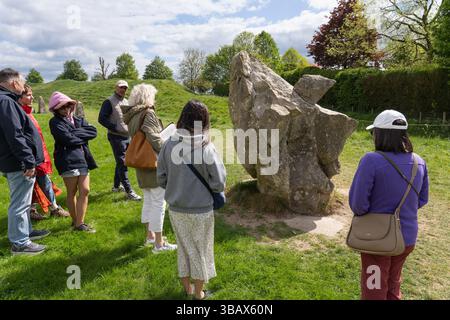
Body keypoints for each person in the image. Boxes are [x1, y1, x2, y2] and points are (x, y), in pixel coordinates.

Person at [349, 110, 429, 300]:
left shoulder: (371, 160)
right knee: (393, 284)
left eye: (373, 132)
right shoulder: (419, 162)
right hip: (407, 238)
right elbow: (422, 199)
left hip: (377, 239)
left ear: (380, 133)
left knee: (374, 289)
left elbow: (358, 205)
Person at [157, 100, 226, 300]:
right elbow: (219, 182)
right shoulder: (207, 147)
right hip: (201, 209)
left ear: (182, 118)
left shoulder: (168, 144)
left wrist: (176, 187)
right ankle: (198, 294)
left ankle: (189, 289)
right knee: (201, 251)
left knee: (185, 249)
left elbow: (161, 177)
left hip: (176, 208)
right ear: (204, 121)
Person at [0, 68, 50, 255]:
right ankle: (20, 243)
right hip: (18, 163)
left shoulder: (6, 100)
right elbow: (15, 135)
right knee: (20, 202)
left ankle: (26, 231)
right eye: (22, 82)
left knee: (24, 200)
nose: (23, 85)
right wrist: (28, 162)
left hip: (14, 161)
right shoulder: (6, 101)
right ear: (14, 83)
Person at [121, 84, 176, 252]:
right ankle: (159, 244)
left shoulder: (132, 115)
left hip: (141, 163)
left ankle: (150, 237)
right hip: (153, 164)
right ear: (147, 97)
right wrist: (170, 141)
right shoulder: (148, 113)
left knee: (149, 200)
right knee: (159, 203)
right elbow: (156, 142)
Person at [18, 85, 70, 220]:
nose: (32, 97)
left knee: (39, 182)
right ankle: (53, 208)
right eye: (29, 95)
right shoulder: (19, 113)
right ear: (20, 96)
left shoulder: (27, 112)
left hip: (37, 155)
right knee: (40, 182)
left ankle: (34, 210)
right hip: (31, 157)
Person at [49, 91, 98, 233]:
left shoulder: (78, 119)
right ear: (56, 109)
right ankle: (77, 223)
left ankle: (79, 222)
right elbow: (67, 139)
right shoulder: (55, 122)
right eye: (62, 107)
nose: (66, 110)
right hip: (67, 160)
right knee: (72, 191)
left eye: (68, 106)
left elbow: (93, 132)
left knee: (85, 190)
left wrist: (74, 134)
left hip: (83, 158)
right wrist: (81, 135)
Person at [98, 80, 141, 201]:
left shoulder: (126, 101)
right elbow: (101, 119)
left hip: (127, 136)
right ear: (116, 87)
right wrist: (114, 127)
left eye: (125, 88)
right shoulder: (109, 101)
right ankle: (129, 191)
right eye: (121, 87)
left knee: (122, 161)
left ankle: (116, 186)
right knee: (122, 163)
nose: (123, 90)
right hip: (116, 137)